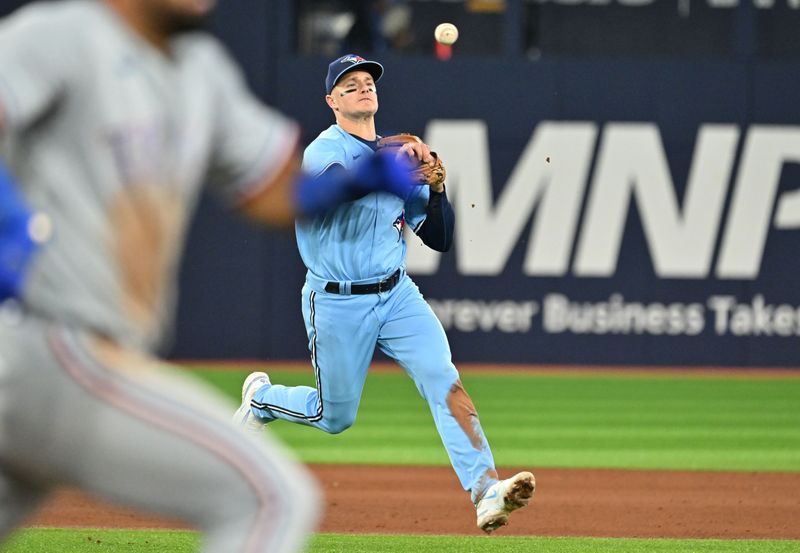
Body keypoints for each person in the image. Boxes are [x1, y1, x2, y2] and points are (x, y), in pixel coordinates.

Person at [0, 2, 416, 552]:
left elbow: (269, 189)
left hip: (83, 350)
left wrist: (352, 183)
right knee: (269, 498)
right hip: (45, 342)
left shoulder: (202, 72)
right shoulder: (61, 34)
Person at [235, 53, 535, 533]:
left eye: (367, 81)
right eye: (349, 84)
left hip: (397, 295)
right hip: (336, 299)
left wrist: (437, 191)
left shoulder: (400, 155)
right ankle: (262, 399)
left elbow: (438, 238)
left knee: (444, 378)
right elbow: (333, 190)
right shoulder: (324, 150)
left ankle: (485, 492)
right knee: (333, 417)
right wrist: (390, 166)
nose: (362, 88)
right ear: (332, 100)